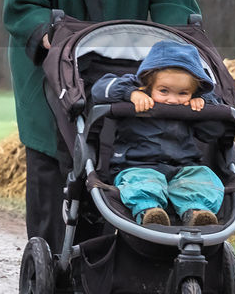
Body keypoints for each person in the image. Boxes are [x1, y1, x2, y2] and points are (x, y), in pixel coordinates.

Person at [3, 0, 199, 294]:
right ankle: (49, 282)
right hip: (52, 71)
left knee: (107, 166)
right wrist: (50, 37)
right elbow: (22, 6)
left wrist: (174, 50)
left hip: (128, 73)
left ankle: (90, 285)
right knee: (56, 168)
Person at [90, 40, 225, 227]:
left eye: (183, 93)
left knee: (203, 178)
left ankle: (196, 211)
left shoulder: (195, 103)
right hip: (138, 165)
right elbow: (99, 89)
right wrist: (131, 93)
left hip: (183, 167)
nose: (172, 100)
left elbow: (213, 133)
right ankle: (149, 210)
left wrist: (205, 108)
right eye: (164, 91)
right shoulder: (136, 88)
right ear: (147, 84)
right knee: (142, 183)